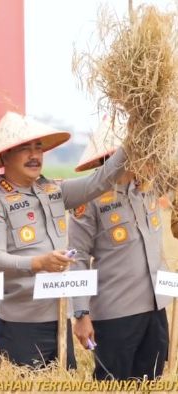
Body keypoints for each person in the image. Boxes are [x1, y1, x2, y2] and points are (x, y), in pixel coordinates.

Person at [0, 111, 127, 368]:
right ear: (4, 156)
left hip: (59, 316)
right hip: (20, 325)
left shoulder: (54, 190)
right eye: (24, 148)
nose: (35, 155)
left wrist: (132, 139)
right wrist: (37, 263)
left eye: (38, 147)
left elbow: (101, 181)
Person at [68, 114, 171, 380]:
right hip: (115, 315)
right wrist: (80, 314)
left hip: (156, 311)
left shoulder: (148, 188)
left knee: (151, 382)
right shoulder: (89, 198)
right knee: (113, 385)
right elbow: (76, 257)